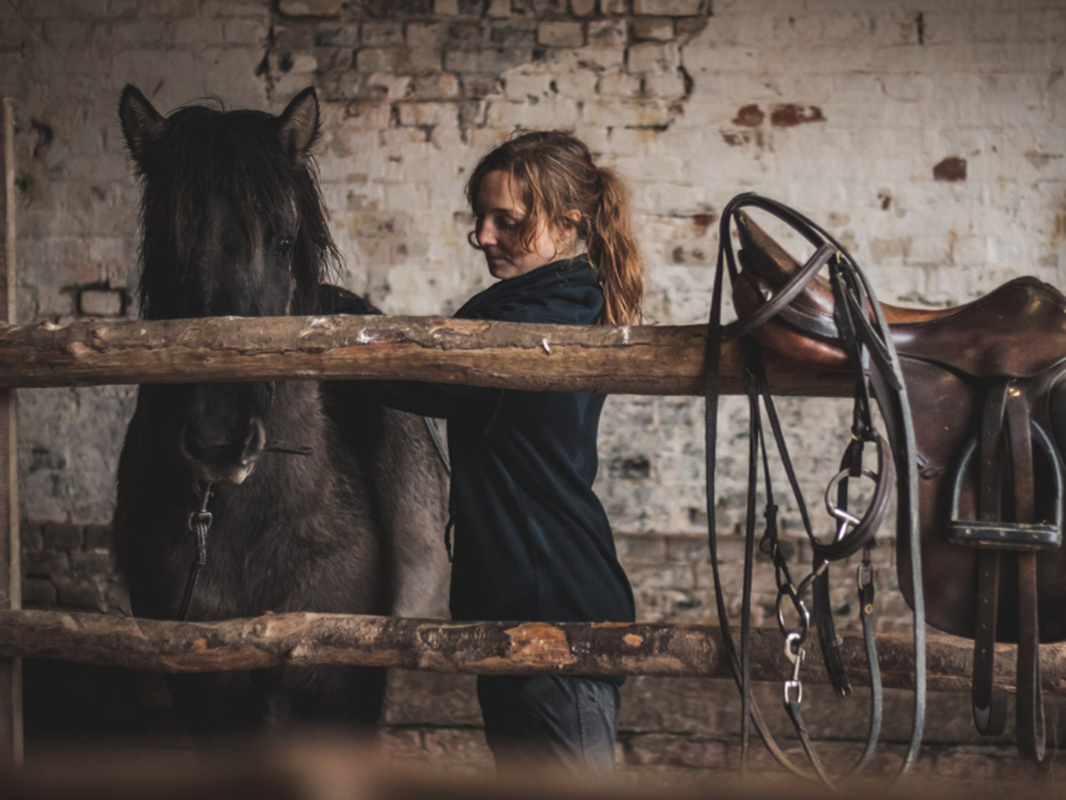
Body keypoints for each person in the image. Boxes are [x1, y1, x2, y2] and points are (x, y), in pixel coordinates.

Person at [329, 130, 642, 773]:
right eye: (480, 218)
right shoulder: (546, 306)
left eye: (508, 221)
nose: (483, 236)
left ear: (568, 222)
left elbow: (414, 371)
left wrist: (319, 315)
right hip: (529, 606)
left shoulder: (539, 325)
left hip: (553, 617)